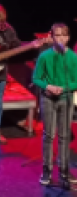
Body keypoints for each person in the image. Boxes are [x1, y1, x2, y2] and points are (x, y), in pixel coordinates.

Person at [0, 5, 45, 145]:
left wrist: (31, 45)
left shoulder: (9, 30)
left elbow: (17, 46)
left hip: (2, 69)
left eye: (2, 24)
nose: (0, 27)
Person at [33, 23, 77, 187]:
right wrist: (48, 86)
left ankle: (64, 169)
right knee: (49, 135)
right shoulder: (45, 56)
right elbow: (36, 78)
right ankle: (47, 169)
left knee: (64, 135)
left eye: (63, 35)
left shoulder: (73, 57)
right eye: (57, 35)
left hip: (65, 99)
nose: (60, 39)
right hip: (48, 99)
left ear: (68, 38)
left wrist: (64, 88)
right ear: (52, 38)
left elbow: (76, 81)